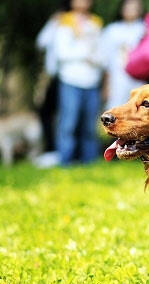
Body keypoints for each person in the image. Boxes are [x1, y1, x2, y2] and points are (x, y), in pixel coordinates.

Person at [54, 0, 103, 165]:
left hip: (92, 81)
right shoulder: (65, 20)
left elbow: (101, 53)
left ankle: (90, 161)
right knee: (68, 124)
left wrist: (91, 56)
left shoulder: (96, 22)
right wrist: (84, 53)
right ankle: (65, 160)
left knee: (90, 126)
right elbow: (61, 53)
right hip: (70, 80)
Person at [34, 0, 70, 168]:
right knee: (46, 112)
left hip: (68, 76)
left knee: (65, 116)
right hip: (54, 76)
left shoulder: (78, 21)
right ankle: (52, 150)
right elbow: (41, 42)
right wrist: (54, 22)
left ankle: (60, 152)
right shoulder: (58, 20)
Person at [100, 0, 145, 110]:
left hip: (139, 79)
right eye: (128, 7)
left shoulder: (145, 29)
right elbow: (106, 59)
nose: (131, 10)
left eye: (135, 7)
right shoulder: (112, 30)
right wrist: (106, 84)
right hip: (116, 79)